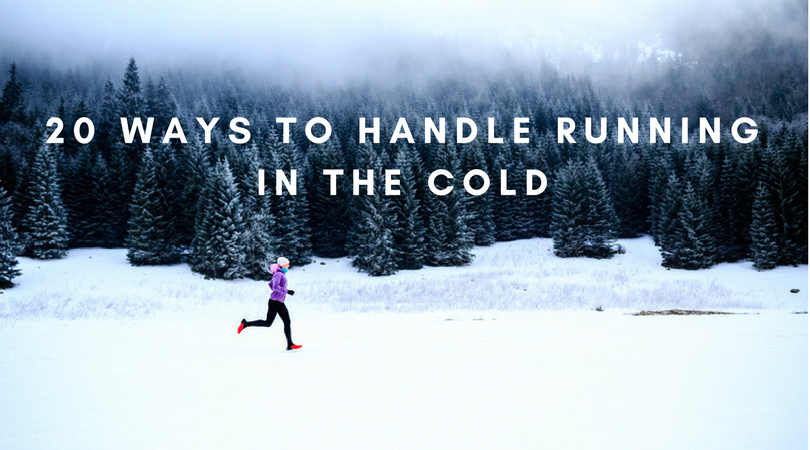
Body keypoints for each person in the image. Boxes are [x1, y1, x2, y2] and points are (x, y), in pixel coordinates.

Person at [237, 256, 302, 351]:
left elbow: (271, 284)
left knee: (287, 321)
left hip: (280, 302)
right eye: (287, 263)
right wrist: (287, 291)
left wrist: (281, 292)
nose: (289, 265)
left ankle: (290, 344)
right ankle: (245, 324)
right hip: (274, 302)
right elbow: (275, 286)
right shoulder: (279, 274)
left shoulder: (281, 274)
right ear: (283, 264)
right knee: (268, 323)